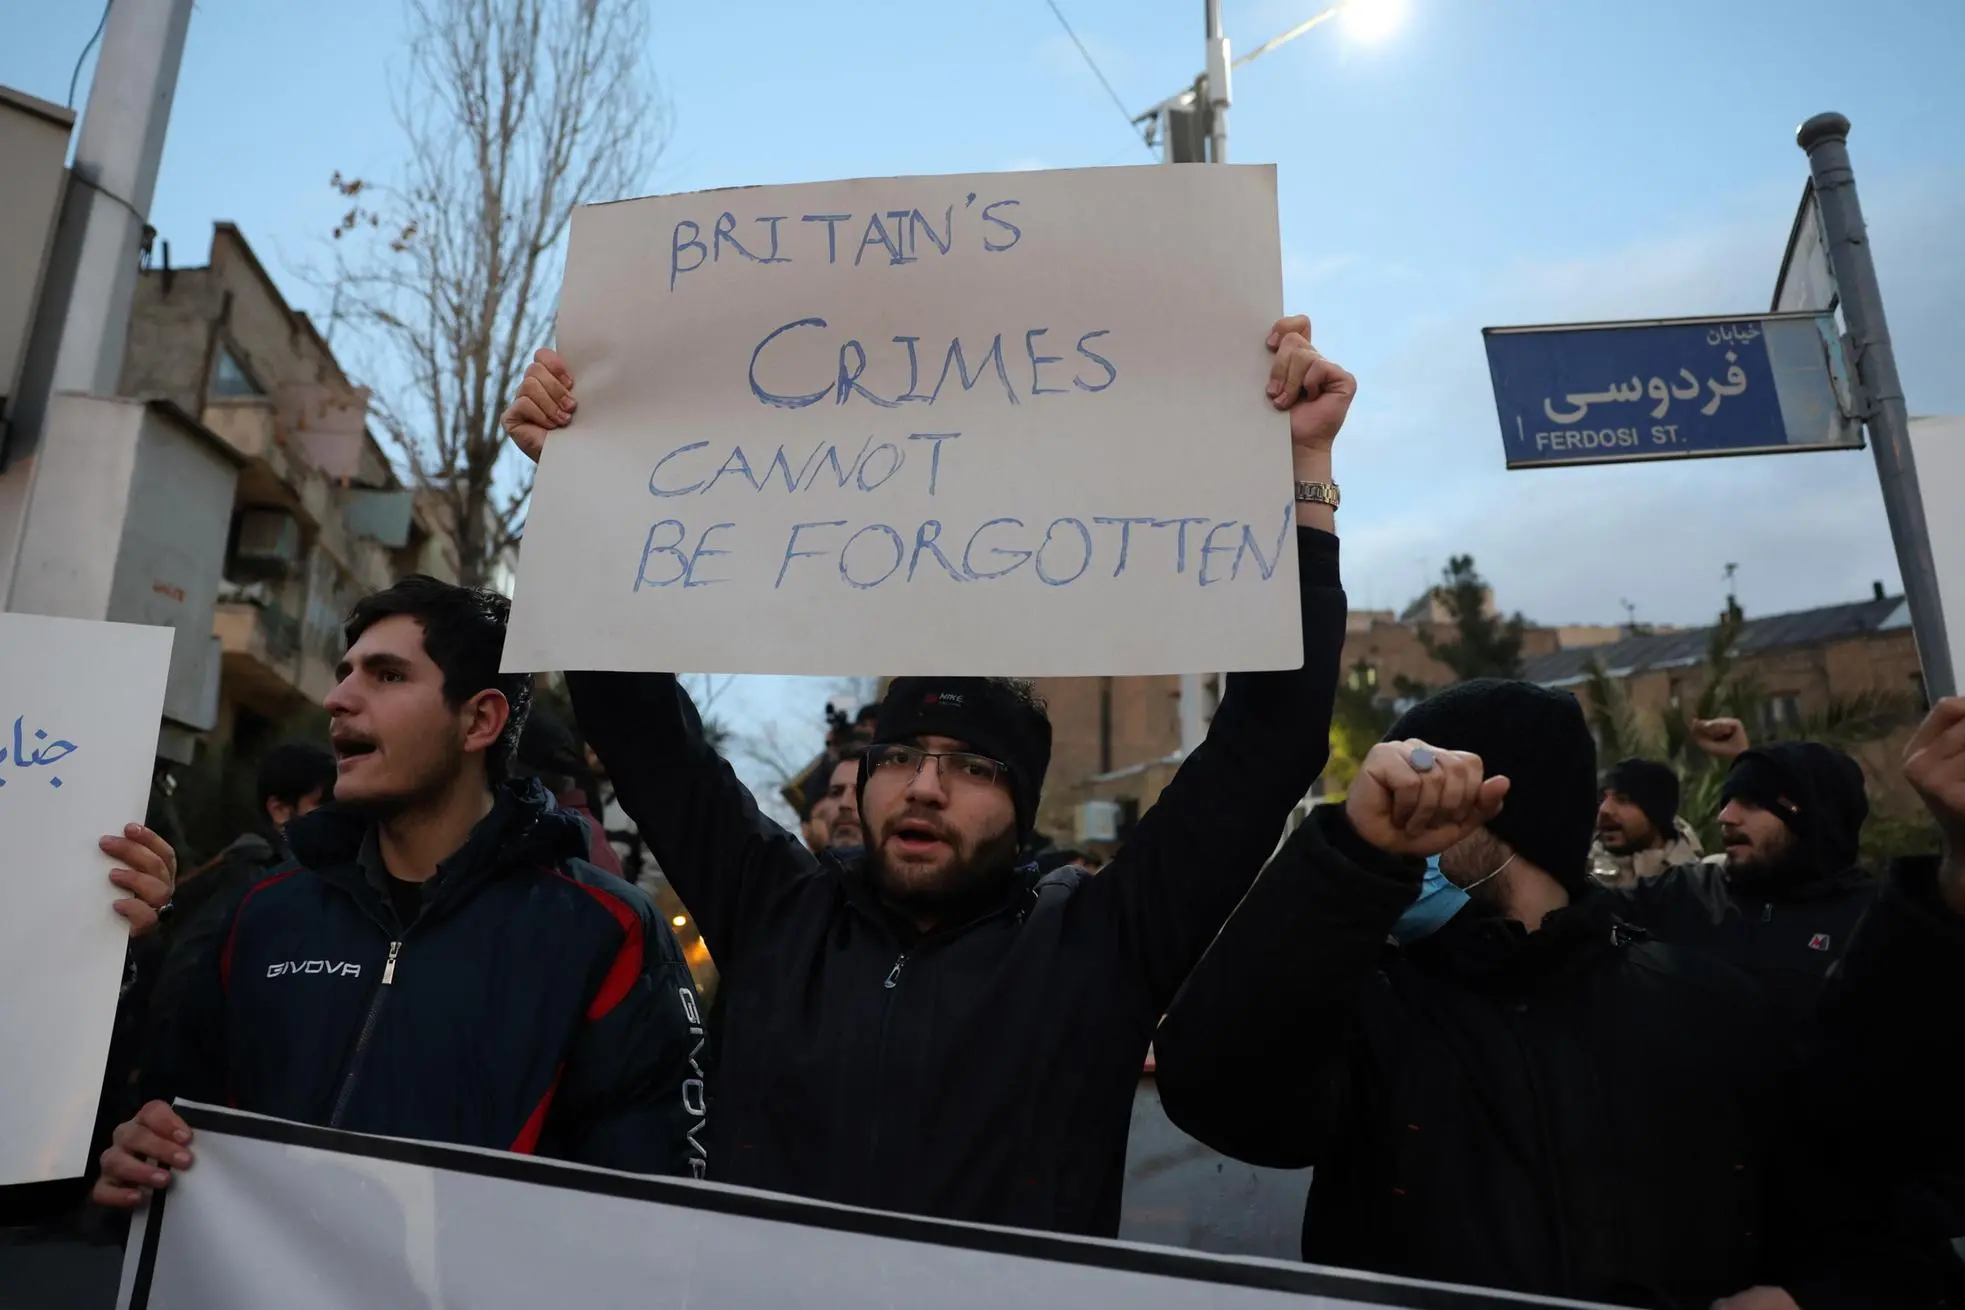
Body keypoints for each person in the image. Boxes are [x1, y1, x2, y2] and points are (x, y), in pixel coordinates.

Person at [498, 313, 1353, 1236]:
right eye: (898, 758)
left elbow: (1269, 738)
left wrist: (1303, 476)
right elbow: (638, 726)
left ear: (1022, 812)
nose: (924, 788)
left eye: (972, 768)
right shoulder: (778, 911)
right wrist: (578, 484)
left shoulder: (1100, 944)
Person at [1152, 680, 1815, 1306]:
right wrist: (1352, 855)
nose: (1407, 832)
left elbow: (1835, 1204)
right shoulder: (1378, 1012)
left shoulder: (1702, 1007)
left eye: (1425, 800)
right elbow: (1215, 1087)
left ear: (1493, 810)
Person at [92, 577, 707, 1208]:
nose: (338, 699)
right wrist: (134, 1162)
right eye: (345, 672)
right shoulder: (263, 912)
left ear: (480, 720)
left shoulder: (605, 931)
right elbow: (159, 1129)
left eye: (386, 675)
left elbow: (646, 1210)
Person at [1614, 716, 1877, 1023]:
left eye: (1750, 803)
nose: (1725, 816)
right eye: (1727, 801)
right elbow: (1580, 918)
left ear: (1807, 821)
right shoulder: (1691, 893)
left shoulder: (1871, 923)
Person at [172, 742, 336, 930]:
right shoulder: (253, 873)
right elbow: (195, 954)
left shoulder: (294, 871)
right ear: (280, 810)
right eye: (324, 806)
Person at [1590, 755, 1702, 887]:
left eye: (1623, 800)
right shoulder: (1579, 879)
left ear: (1656, 814)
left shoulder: (1699, 885)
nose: (1604, 809)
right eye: (1602, 799)